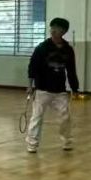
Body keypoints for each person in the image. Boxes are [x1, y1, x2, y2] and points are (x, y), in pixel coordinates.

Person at [25, 17, 80, 153]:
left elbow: (71, 70)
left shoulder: (68, 50)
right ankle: (32, 144)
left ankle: (67, 142)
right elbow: (32, 67)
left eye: (57, 28)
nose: (53, 30)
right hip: (42, 89)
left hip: (60, 91)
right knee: (37, 117)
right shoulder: (42, 48)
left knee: (65, 117)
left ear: (63, 31)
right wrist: (30, 85)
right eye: (52, 28)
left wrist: (75, 88)